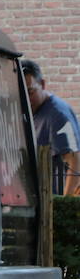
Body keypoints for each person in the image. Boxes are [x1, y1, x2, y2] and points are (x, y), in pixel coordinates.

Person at [22, 59, 80, 195]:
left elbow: (75, 160)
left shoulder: (58, 115)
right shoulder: (32, 110)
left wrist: (66, 204)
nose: (26, 100)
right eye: (21, 94)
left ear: (42, 84)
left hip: (57, 201)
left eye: (30, 92)